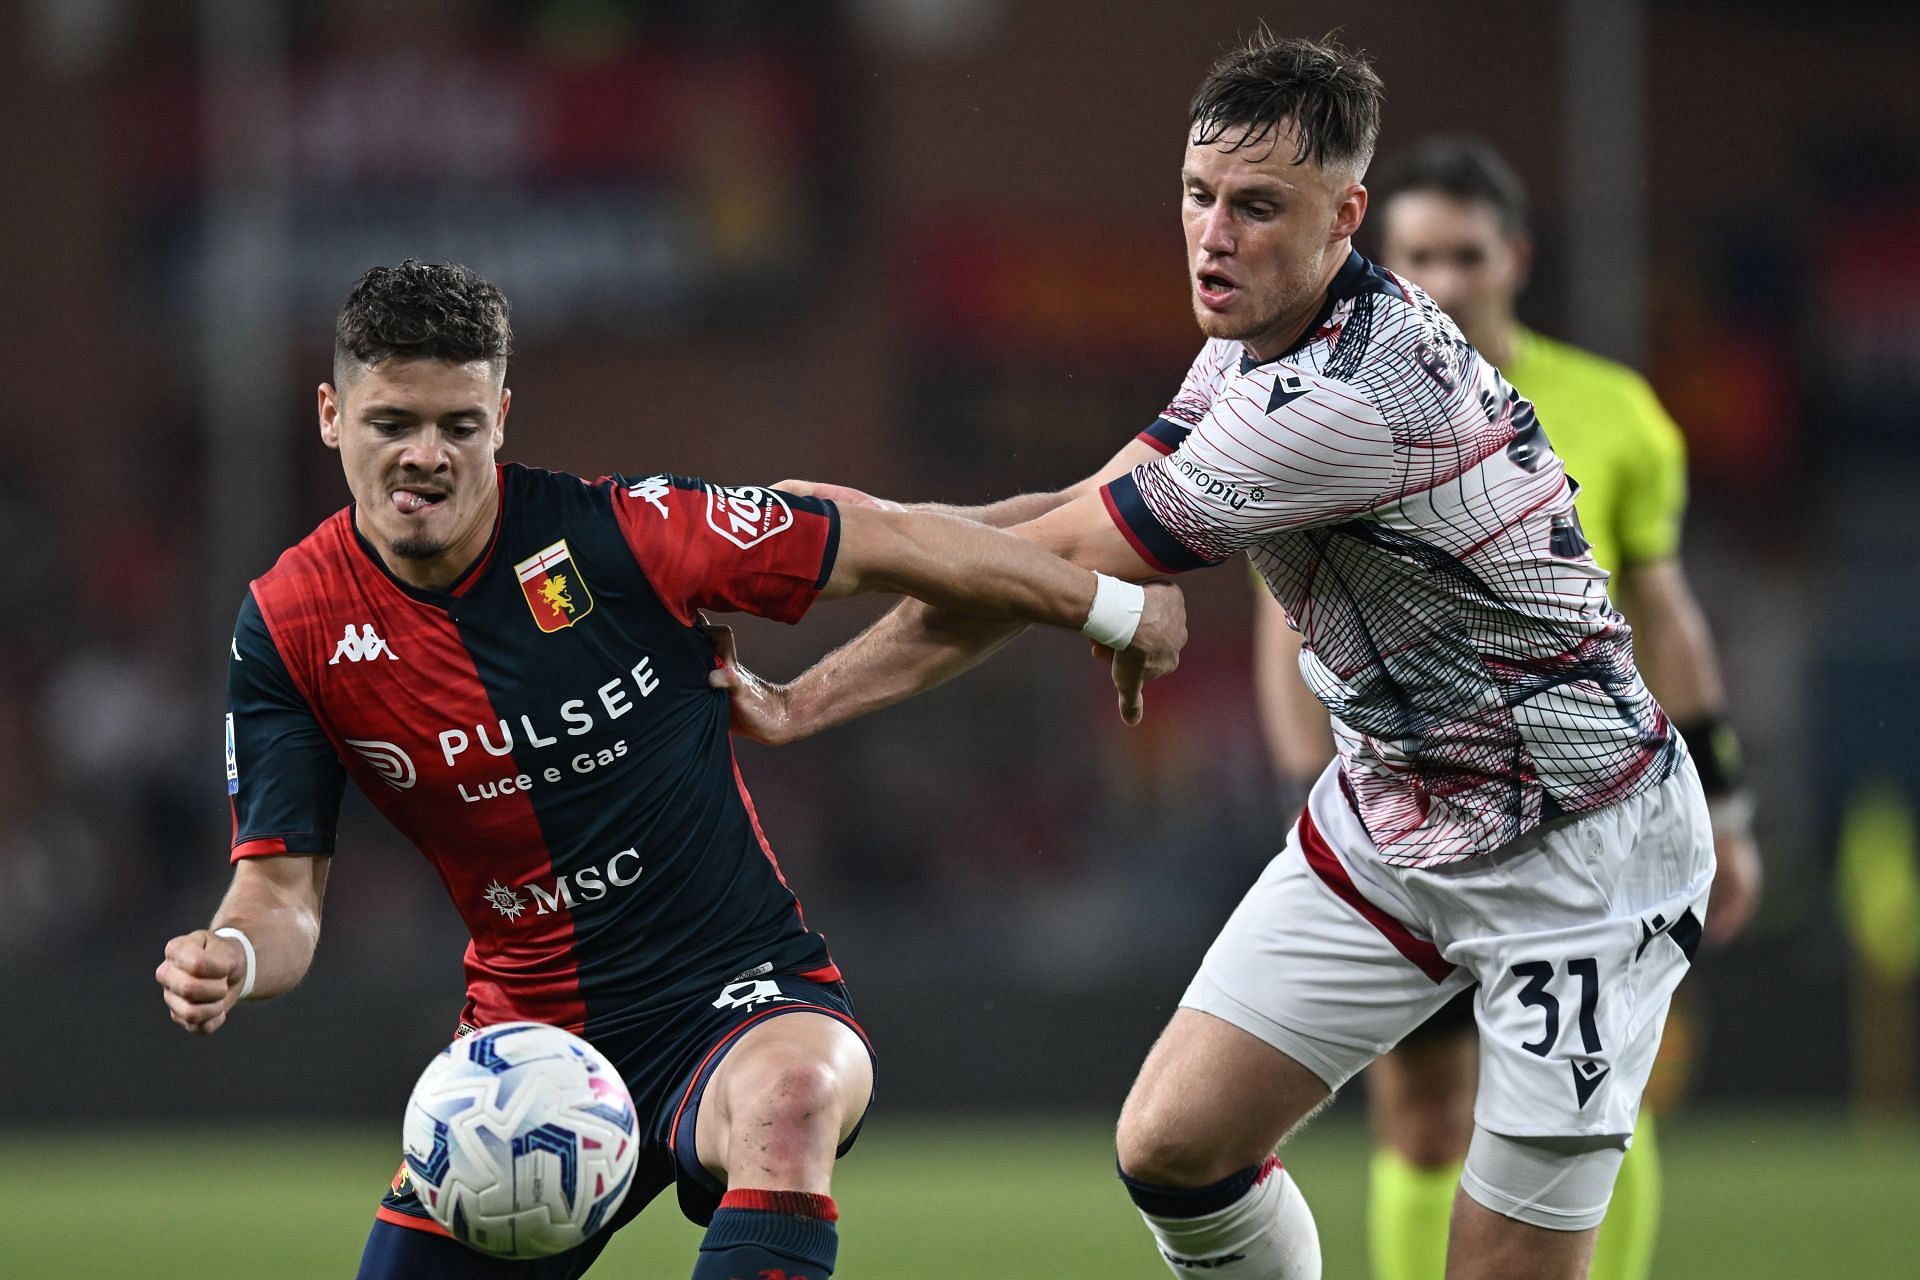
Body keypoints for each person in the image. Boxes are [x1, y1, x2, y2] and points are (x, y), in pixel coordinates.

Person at [715, 33, 1714, 1280]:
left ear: (1348, 215)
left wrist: (844, 540)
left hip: (1577, 845)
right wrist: (825, 642)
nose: (1213, 234)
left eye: (1256, 206)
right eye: (1198, 195)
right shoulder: (1254, 344)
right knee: (1176, 1144)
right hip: (1394, 811)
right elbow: (1064, 521)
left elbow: (1059, 562)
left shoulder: (1354, 397)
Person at [152, 260, 1186, 1280]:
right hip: (528, 1045)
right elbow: (281, 890)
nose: (426, 455)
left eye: (459, 424)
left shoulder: (624, 534)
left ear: (502, 417)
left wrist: (1114, 605)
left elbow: (889, 539)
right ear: (332, 414)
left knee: (797, 1097)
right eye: (393, 423)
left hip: (735, 996)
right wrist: (234, 954)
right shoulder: (289, 625)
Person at [1248, 135, 1763, 1280]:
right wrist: (1309, 801)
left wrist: (1724, 801)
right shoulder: (1321, 412)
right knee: (1424, 1108)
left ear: (1514, 258)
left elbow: (1665, 611)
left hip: (1589, 821)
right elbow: (1289, 630)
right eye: (1416, 252)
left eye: (1464, 253)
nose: (1438, 278)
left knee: (1589, 1103)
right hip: (1418, 819)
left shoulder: (1615, 412)